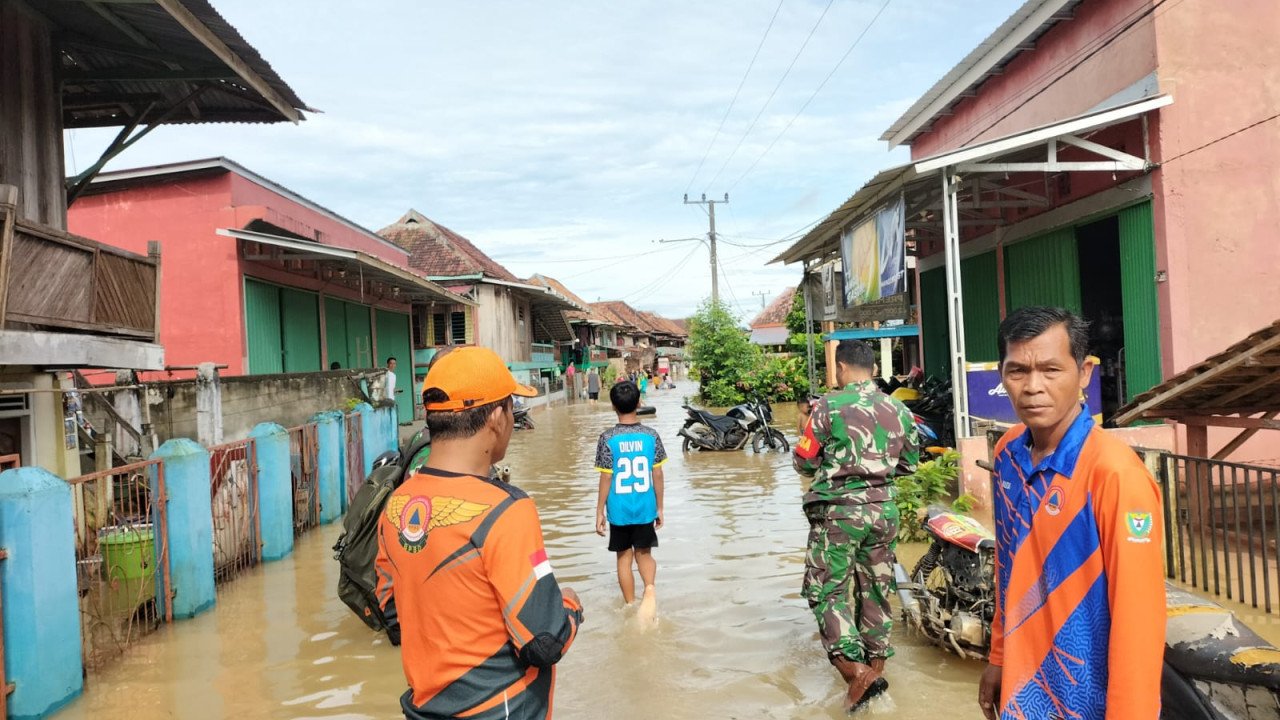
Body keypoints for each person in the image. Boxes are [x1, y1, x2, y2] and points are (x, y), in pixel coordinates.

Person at [375, 346, 583, 720]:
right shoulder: (508, 510)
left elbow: (392, 614)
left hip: (424, 708)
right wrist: (570, 605)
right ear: (497, 417)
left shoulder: (396, 505)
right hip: (500, 708)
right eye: (512, 409)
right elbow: (544, 642)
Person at [978, 307, 1164, 720]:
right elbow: (1007, 565)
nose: (1033, 387)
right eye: (1017, 371)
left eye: (1050, 370)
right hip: (1023, 696)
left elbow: (1140, 619)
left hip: (1088, 702)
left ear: (1083, 373)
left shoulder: (1115, 475)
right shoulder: (1007, 454)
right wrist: (999, 656)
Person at [793, 339, 919, 711]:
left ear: (841, 369)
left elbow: (803, 461)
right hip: (884, 513)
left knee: (826, 592)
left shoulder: (827, 406)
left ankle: (857, 674)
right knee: (876, 592)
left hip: (839, 513)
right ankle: (874, 675)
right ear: (874, 370)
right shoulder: (899, 408)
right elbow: (909, 464)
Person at [594, 380, 666, 606]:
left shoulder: (607, 438)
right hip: (645, 507)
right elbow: (658, 474)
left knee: (623, 559)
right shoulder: (651, 436)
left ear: (613, 406)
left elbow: (606, 477)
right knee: (644, 553)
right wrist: (660, 507)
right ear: (638, 403)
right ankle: (650, 590)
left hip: (619, 510)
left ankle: (630, 605)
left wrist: (599, 512)